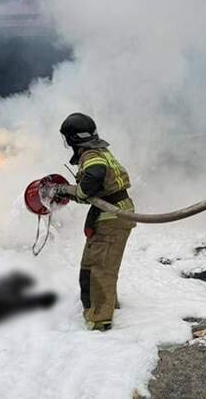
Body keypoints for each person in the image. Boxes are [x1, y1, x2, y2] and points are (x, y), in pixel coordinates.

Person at [60, 112, 136, 332]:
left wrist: (72, 190)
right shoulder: (100, 151)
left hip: (112, 216)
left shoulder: (91, 155)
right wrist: (70, 192)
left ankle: (100, 320)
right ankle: (106, 305)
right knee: (99, 263)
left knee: (99, 267)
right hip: (114, 213)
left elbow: (91, 180)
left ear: (73, 139)